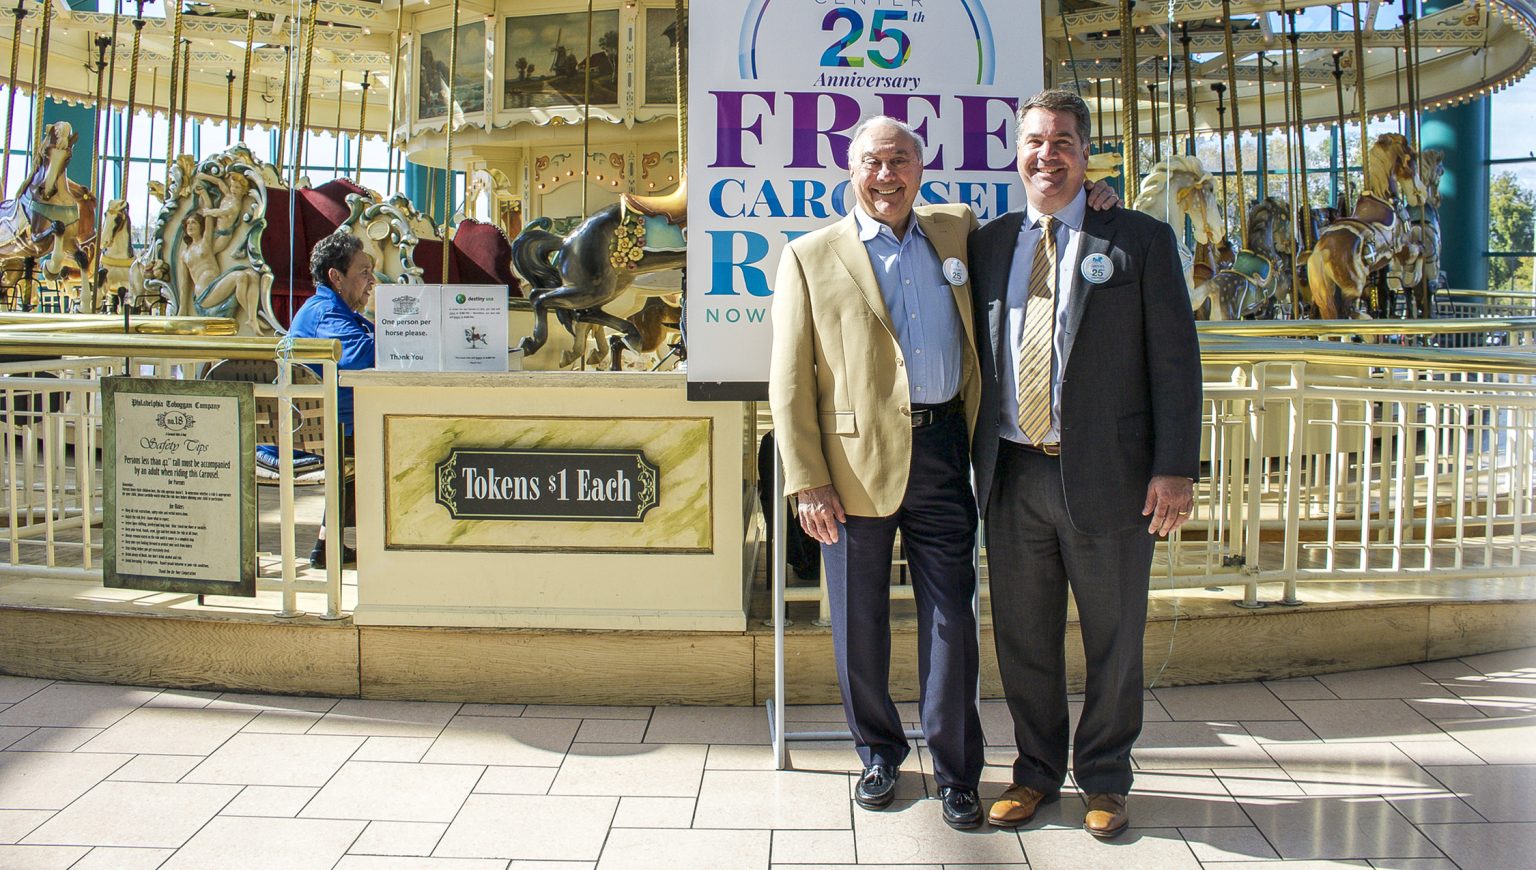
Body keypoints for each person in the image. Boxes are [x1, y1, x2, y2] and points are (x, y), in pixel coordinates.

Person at [768, 115, 1116, 829]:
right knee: (859, 621)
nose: (886, 176)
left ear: (920, 170)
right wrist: (807, 480)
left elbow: (1048, 211)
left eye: (900, 160)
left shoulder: (957, 229)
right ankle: (878, 754)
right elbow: (789, 381)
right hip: (852, 466)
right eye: (873, 162)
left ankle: (958, 771)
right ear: (851, 170)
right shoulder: (809, 256)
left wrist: (1099, 196)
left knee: (952, 619)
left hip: (945, 452)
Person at [969, 89, 1202, 838]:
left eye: (1063, 141)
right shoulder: (987, 244)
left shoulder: (1138, 239)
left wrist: (1176, 467)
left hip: (1111, 475)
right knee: (1023, 639)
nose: (1048, 155)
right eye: (1035, 141)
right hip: (1013, 474)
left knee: (1114, 637)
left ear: (1085, 152)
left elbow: (1176, 361)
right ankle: (1035, 772)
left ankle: (1104, 777)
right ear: (1017, 153)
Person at [289, 230, 377, 569]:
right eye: (364, 272)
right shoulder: (326, 313)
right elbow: (361, 356)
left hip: (330, 427)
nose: (372, 281)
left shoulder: (332, 310)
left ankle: (329, 544)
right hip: (318, 435)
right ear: (336, 277)